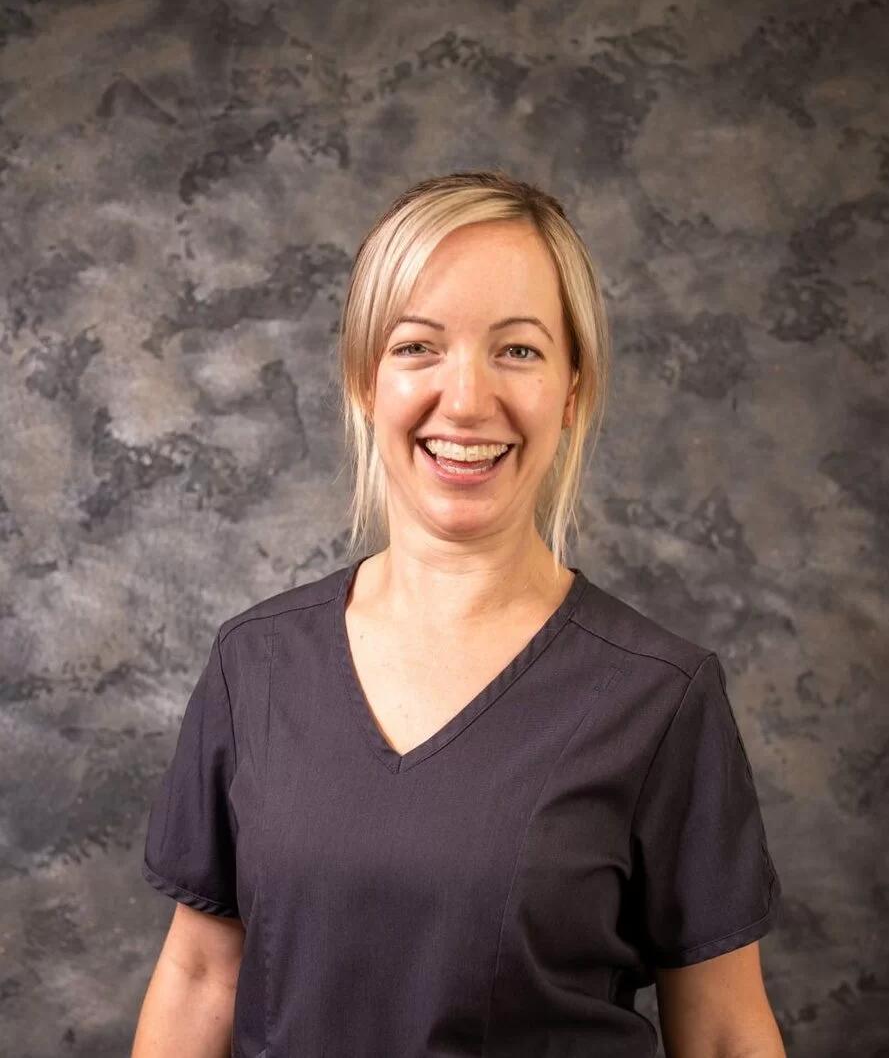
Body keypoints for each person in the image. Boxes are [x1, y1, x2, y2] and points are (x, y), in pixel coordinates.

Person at [132, 170, 785, 1058]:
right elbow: (202, 975)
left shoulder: (659, 697)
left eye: (516, 350)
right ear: (366, 380)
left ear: (572, 388)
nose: (467, 400)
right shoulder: (256, 668)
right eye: (416, 347)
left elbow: (720, 1033)